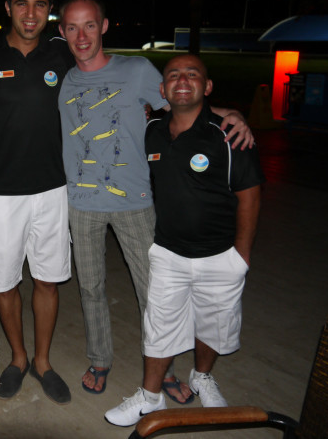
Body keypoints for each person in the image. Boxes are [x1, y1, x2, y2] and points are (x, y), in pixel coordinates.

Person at [57, 0, 254, 398]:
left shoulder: (135, 70)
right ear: (62, 31)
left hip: (135, 201)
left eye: (90, 25)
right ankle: (100, 358)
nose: (82, 36)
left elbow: (183, 103)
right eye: (72, 27)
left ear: (104, 26)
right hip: (81, 204)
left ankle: (164, 370)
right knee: (91, 288)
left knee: (155, 294)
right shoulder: (62, 79)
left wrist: (227, 115)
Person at [104, 54, 263, 427]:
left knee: (213, 324)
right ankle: (150, 397)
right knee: (158, 326)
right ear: (162, 89)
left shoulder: (228, 135)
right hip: (168, 253)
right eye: (174, 75)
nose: (183, 80)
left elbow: (250, 196)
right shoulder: (153, 129)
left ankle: (202, 377)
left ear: (207, 87)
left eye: (193, 74)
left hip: (220, 255)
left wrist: (241, 256)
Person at [0, 0, 74, 405]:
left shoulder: (62, 52)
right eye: (22, 2)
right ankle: (18, 358)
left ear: (50, 9)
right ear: (8, 7)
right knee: (5, 282)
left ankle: (42, 361)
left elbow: (111, 80)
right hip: (0, 192)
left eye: (40, 4)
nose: (31, 13)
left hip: (53, 188)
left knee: (47, 280)